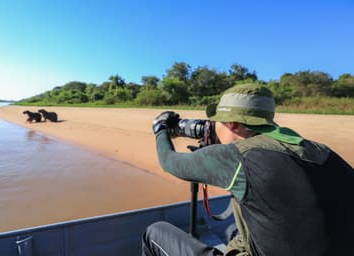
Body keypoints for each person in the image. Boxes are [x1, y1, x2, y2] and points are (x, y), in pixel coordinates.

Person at [142, 83, 354, 256]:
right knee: (232, 230)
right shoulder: (321, 151)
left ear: (233, 124)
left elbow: (169, 161)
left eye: (217, 122)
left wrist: (160, 130)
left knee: (154, 233)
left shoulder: (237, 156)